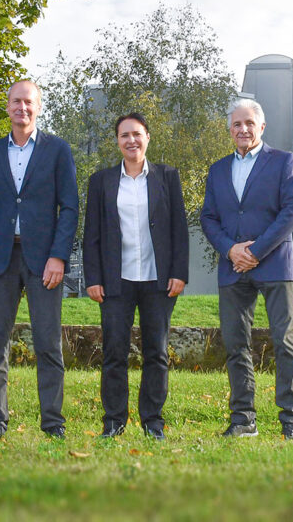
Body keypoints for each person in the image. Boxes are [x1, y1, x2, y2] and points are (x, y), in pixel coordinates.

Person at [0, 80, 78, 440]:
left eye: (28, 102)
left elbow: (70, 208)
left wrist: (58, 256)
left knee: (48, 344)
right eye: (16, 102)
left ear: (39, 107)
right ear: (8, 107)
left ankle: (52, 423)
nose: (22, 108)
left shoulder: (58, 151)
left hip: (44, 260)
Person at [200, 98, 293, 440]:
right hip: (232, 268)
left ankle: (291, 419)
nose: (242, 129)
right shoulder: (217, 170)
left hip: (274, 264)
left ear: (261, 127)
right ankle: (243, 419)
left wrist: (256, 251)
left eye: (249, 123)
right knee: (235, 344)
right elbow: (209, 218)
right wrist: (231, 249)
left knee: (285, 340)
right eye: (236, 124)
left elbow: (292, 212)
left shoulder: (284, 162)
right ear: (229, 130)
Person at [82, 113, 188, 441]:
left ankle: (152, 421)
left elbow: (179, 230)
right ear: (117, 141)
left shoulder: (167, 178)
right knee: (115, 351)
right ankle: (114, 421)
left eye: (137, 134)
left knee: (156, 351)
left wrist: (179, 273)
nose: (131, 140)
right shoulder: (101, 181)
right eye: (125, 135)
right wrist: (93, 278)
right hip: (116, 280)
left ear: (147, 138)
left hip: (158, 280)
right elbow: (92, 235)